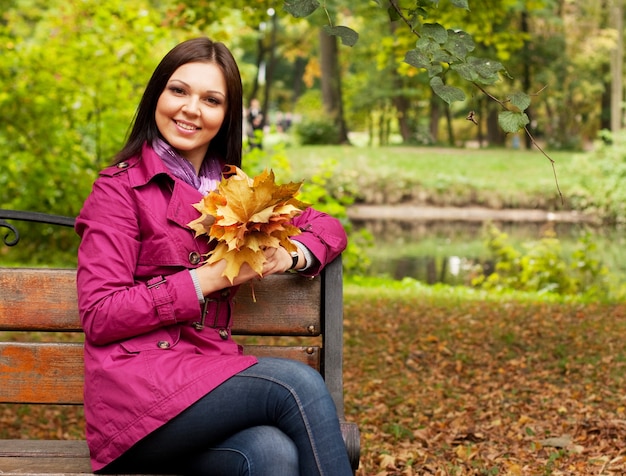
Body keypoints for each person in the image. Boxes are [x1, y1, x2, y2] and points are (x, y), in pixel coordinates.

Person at [75, 37, 352, 476]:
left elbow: (329, 227)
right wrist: (208, 279)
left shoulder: (232, 190)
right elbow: (100, 313)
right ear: (156, 98)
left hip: (204, 386)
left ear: (225, 116)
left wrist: (293, 255)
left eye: (211, 99)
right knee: (296, 384)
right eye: (179, 91)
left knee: (271, 452)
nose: (191, 109)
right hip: (138, 399)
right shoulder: (118, 190)